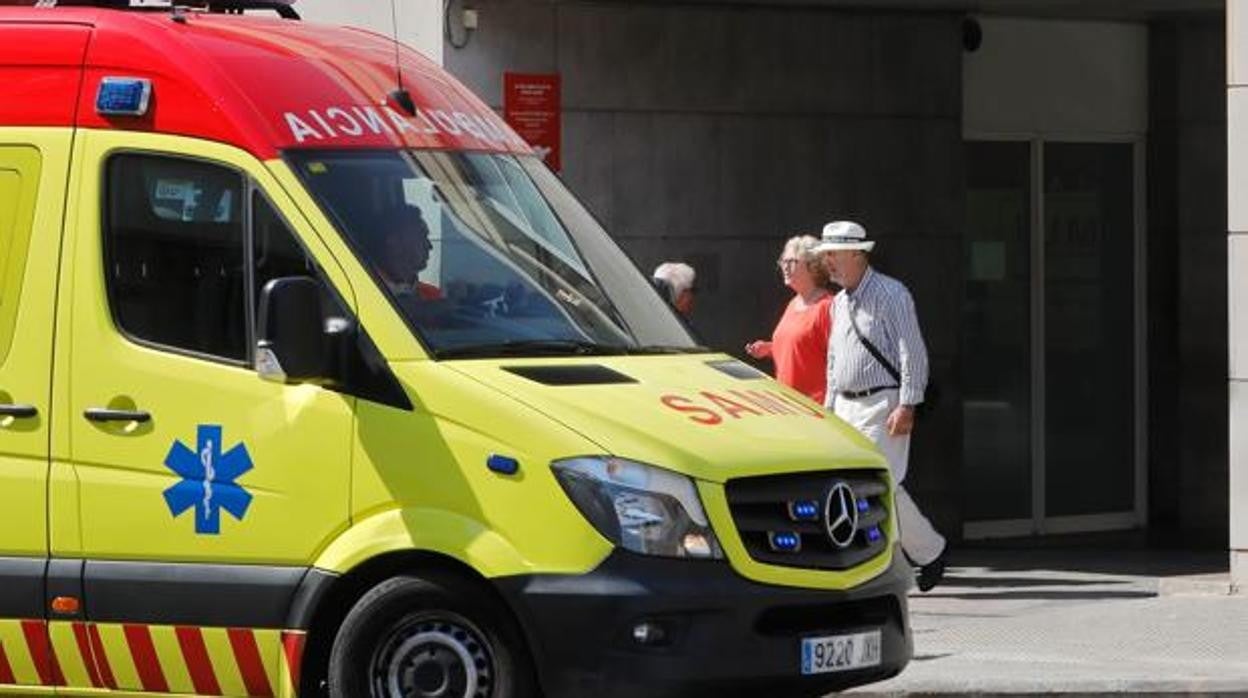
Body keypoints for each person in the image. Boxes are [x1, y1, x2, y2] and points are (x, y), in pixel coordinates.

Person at [815, 220, 948, 592]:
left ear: (857, 254)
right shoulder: (839, 302)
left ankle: (922, 553)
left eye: (833, 254)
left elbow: (912, 352)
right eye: (825, 255)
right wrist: (828, 409)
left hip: (881, 404)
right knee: (864, 488)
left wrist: (907, 403)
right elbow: (833, 359)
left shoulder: (892, 294)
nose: (827, 262)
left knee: (879, 485)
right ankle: (914, 556)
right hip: (845, 407)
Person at [745, 235, 834, 403]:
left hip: (816, 410)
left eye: (792, 262)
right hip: (789, 406)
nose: (784, 267)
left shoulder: (828, 307)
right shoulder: (793, 303)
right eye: (782, 261)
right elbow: (802, 346)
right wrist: (770, 349)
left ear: (812, 266)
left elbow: (839, 361)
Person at [369, 204, 441, 300]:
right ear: (393, 241)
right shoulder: (366, 288)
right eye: (421, 237)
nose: (429, 246)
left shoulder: (432, 295)